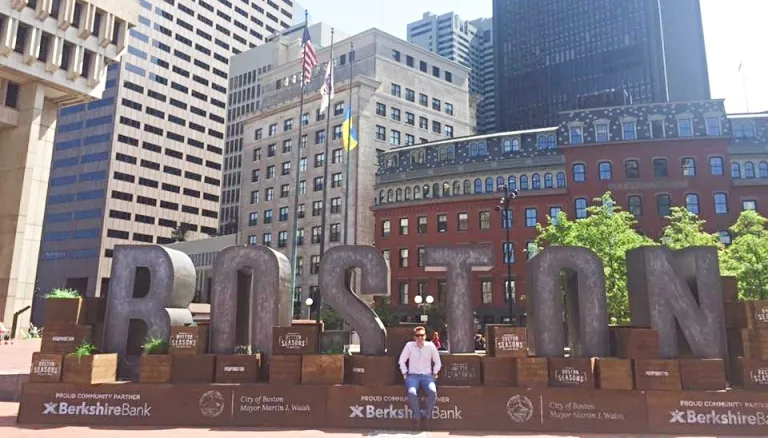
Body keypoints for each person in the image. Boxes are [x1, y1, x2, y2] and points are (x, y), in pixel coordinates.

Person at [398, 326, 441, 429]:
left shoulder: (430, 346)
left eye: (422, 335)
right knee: (412, 393)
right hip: (413, 376)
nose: (420, 337)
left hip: (427, 376)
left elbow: (438, 362)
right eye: (418, 335)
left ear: (425, 336)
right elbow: (401, 360)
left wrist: (434, 373)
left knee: (432, 392)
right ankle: (417, 417)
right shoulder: (409, 346)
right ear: (414, 337)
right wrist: (405, 373)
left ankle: (427, 417)